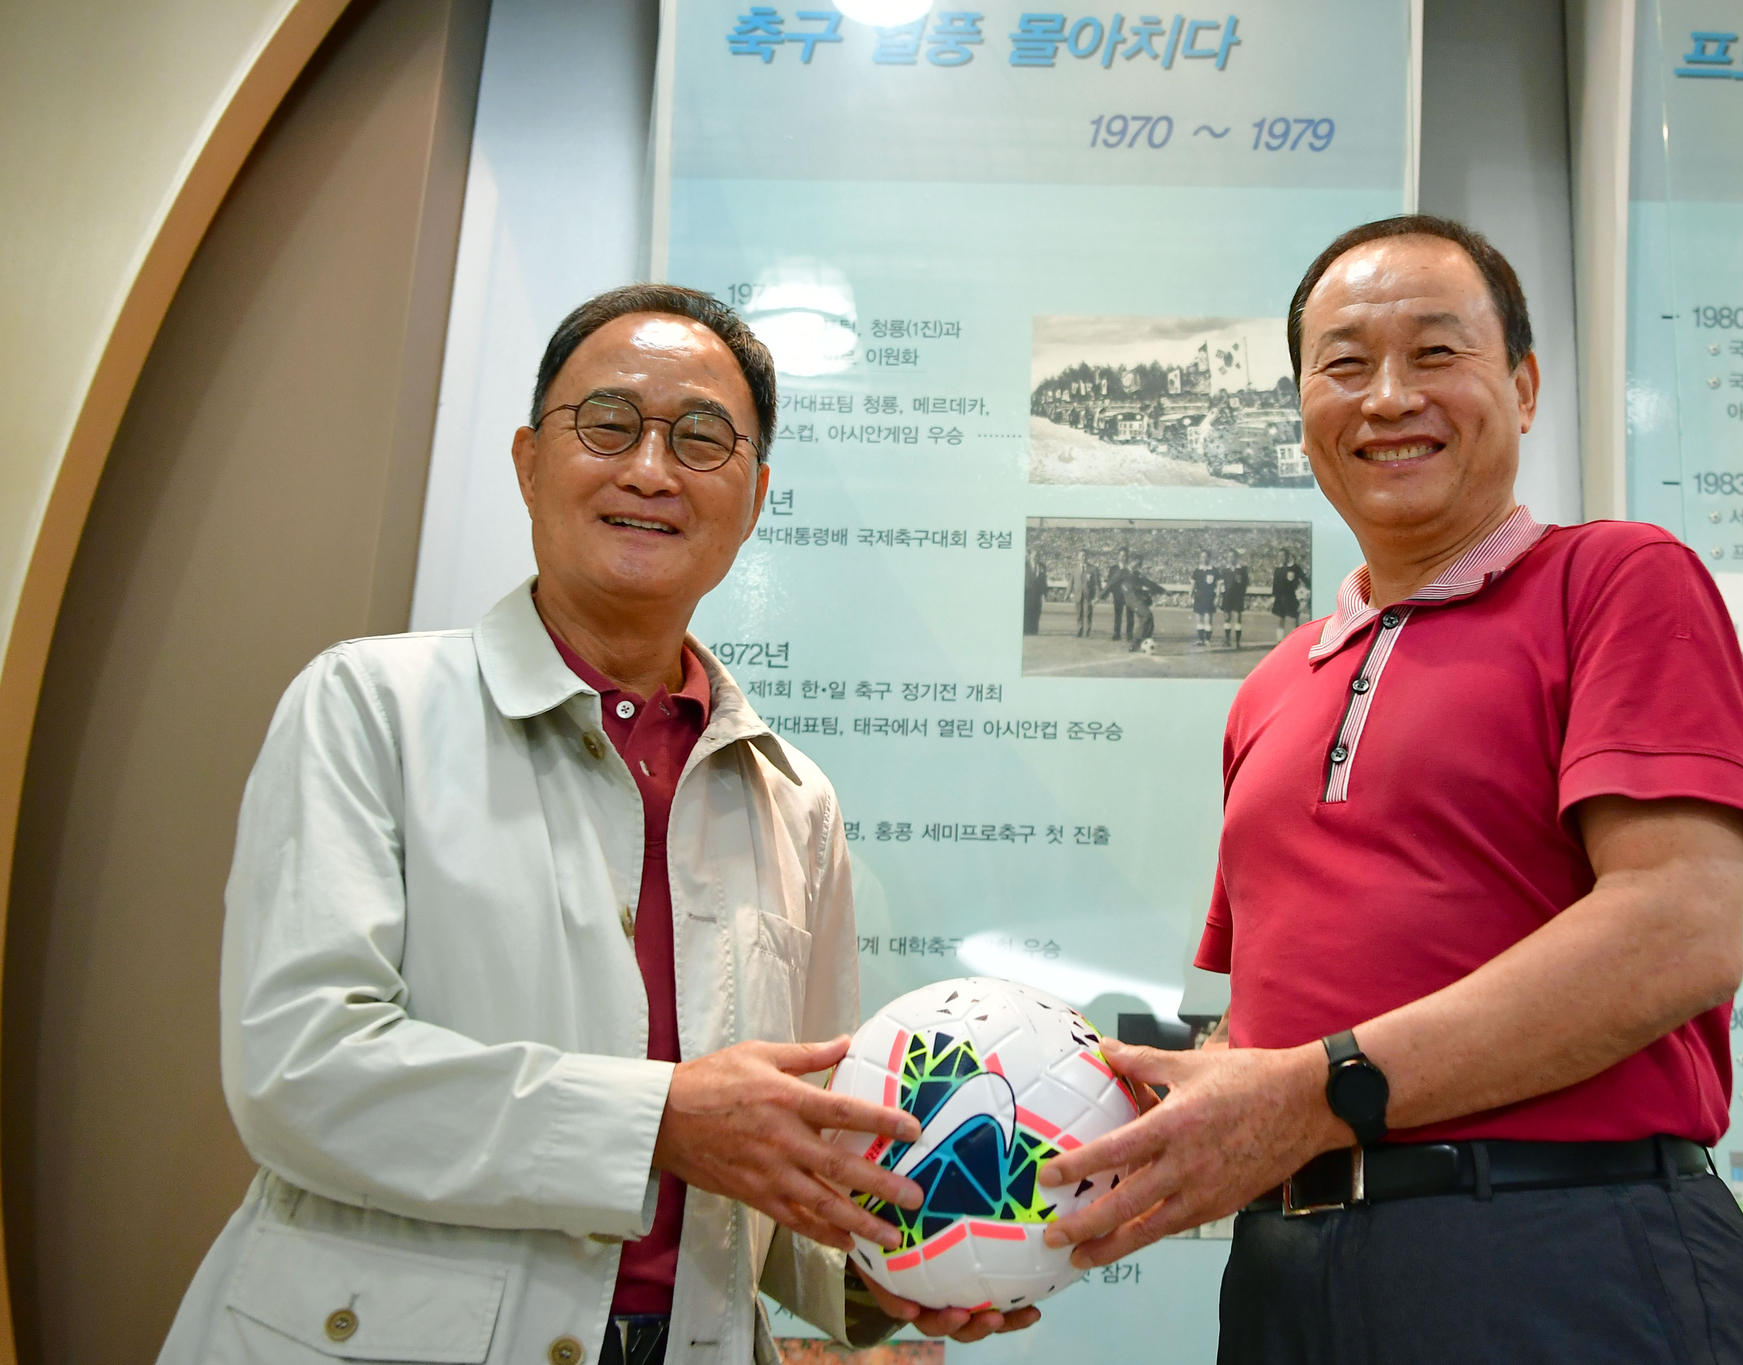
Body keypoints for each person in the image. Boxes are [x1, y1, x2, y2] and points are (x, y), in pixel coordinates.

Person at [156, 285, 1031, 1365]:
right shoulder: (369, 707)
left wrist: (901, 1276)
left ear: (755, 498)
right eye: (607, 425)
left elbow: (777, 1161)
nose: (650, 470)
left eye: (701, 439)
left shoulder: (791, 798)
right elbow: (301, 1072)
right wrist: (659, 1119)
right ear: (528, 461)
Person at [1033, 215, 1743, 1360]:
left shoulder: (1618, 580)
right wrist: (1039, 1186)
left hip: (1565, 1254)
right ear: (1298, 410)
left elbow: (1676, 931)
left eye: (1435, 353)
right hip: (1288, 1274)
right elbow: (1266, 1034)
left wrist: (1309, 1091)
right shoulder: (1273, 687)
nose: (1387, 397)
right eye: (1342, 364)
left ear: (1524, 386)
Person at [1123, 556, 1165, 654]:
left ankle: (1145, 641)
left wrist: (1163, 590)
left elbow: (1149, 583)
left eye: (1139, 564)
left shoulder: (1137, 574)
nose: (1137, 565)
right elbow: (1113, 583)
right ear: (1131, 562)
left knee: (1148, 618)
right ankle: (1135, 643)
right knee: (1147, 615)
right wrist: (1100, 596)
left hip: (1137, 600)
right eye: (1136, 563)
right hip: (1131, 600)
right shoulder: (1123, 572)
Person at [1269, 546, 1308, 640]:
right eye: (1279, 556)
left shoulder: (1295, 568)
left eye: (1283, 555)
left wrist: (1305, 592)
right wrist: (1273, 598)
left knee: (1293, 620)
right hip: (1279, 598)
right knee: (1280, 620)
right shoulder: (1277, 569)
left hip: (1291, 597)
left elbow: (1305, 580)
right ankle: (1279, 642)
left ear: (1287, 556)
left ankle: (1295, 642)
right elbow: (1275, 586)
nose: (1281, 558)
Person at [1219, 547, 1251, 650]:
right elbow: (1221, 583)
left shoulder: (1241, 570)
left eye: (1232, 557)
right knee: (1227, 618)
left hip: (1238, 597)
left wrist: (1242, 595)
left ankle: (1237, 642)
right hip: (1227, 596)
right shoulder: (1225, 570)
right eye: (1228, 557)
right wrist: (1221, 595)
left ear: (1236, 558)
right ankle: (1227, 640)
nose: (1230, 559)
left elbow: (1245, 583)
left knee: (1238, 619)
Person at [1191, 548, 1222, 647]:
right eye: (1201, 557)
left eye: (1205, 557)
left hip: (1209, 597)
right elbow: (1193, 584)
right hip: (1199, 597)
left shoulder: (1214, 570)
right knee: (1199, 619)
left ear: (1209, 558)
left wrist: (1217, 597)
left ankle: (1208, 640)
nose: (1203, 559)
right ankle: (1201, 640)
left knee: (1208, 619)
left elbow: (1219, 585)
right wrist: (1190, 594)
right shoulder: (1197, 570)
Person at [1074, 551, 1100, 637]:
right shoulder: (1075, 569)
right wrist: (1068, 593)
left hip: (1089, 596)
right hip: (1078, 595)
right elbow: (1071, 582)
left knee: (1088, 614)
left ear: (1087, 556)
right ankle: (1079, 630)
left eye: (1085, 555)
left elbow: (1097, 584)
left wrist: (1097, 596)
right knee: (1079, 614)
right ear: (1078, 557)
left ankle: (1087, 632)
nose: (1083, 557)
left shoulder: (1093, 569)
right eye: (1081, 556)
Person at [1108, 548, 1132, 641]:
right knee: (1118, 616)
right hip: (1118, 595)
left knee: (1130, 616)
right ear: (1118, 556)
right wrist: (1111, 594)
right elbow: (1110, 583)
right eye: (1121, 555)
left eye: (1125, 555)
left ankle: (1129, 635)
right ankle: (1116, 634)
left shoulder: (1130, 568)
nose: (1123, 558)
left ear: (1127, 557)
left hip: (1129, 595)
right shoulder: (1113, 568)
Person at [1023, 552, 1048, 635]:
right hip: (1027, 592)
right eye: (1034, 555)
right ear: (1030, 556)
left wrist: (1045, 593)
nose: (1035, 557)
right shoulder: (1024, 565)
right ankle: (1026, 630)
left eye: (1037, 555)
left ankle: (1034, 630)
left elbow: (1044, 580)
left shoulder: (1042, 566)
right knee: (1027, 611)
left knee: (1037, 611)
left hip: (1038, 593)